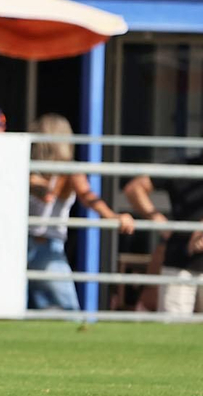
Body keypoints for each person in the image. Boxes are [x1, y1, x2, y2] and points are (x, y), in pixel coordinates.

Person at [122, 113, 203, 317]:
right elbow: (134, 188)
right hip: (178, 265)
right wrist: (159, 222)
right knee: (172, 336)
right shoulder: (182, 166)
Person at [27, 113, 136, 310]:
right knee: (61, 311)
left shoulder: (69, 170)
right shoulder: (28, 168)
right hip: (27, 245)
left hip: (46, 246)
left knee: (61, 309)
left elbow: (87, 196)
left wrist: (113, 216)